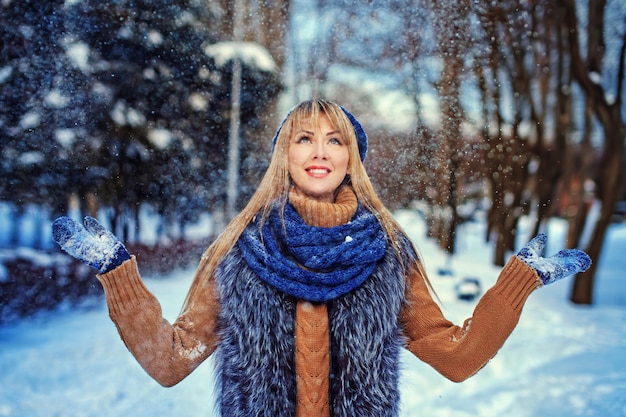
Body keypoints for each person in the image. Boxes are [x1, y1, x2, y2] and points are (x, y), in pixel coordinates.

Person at [52, 99, 591, 417]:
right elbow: (171, 360)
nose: (320, 151)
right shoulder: (238, 248)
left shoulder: (389, 251)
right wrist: (116, 273)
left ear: (351, 158)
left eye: (335, 140)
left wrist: (517, 283)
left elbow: (455, 356)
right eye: (304, 138)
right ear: (285, 155)